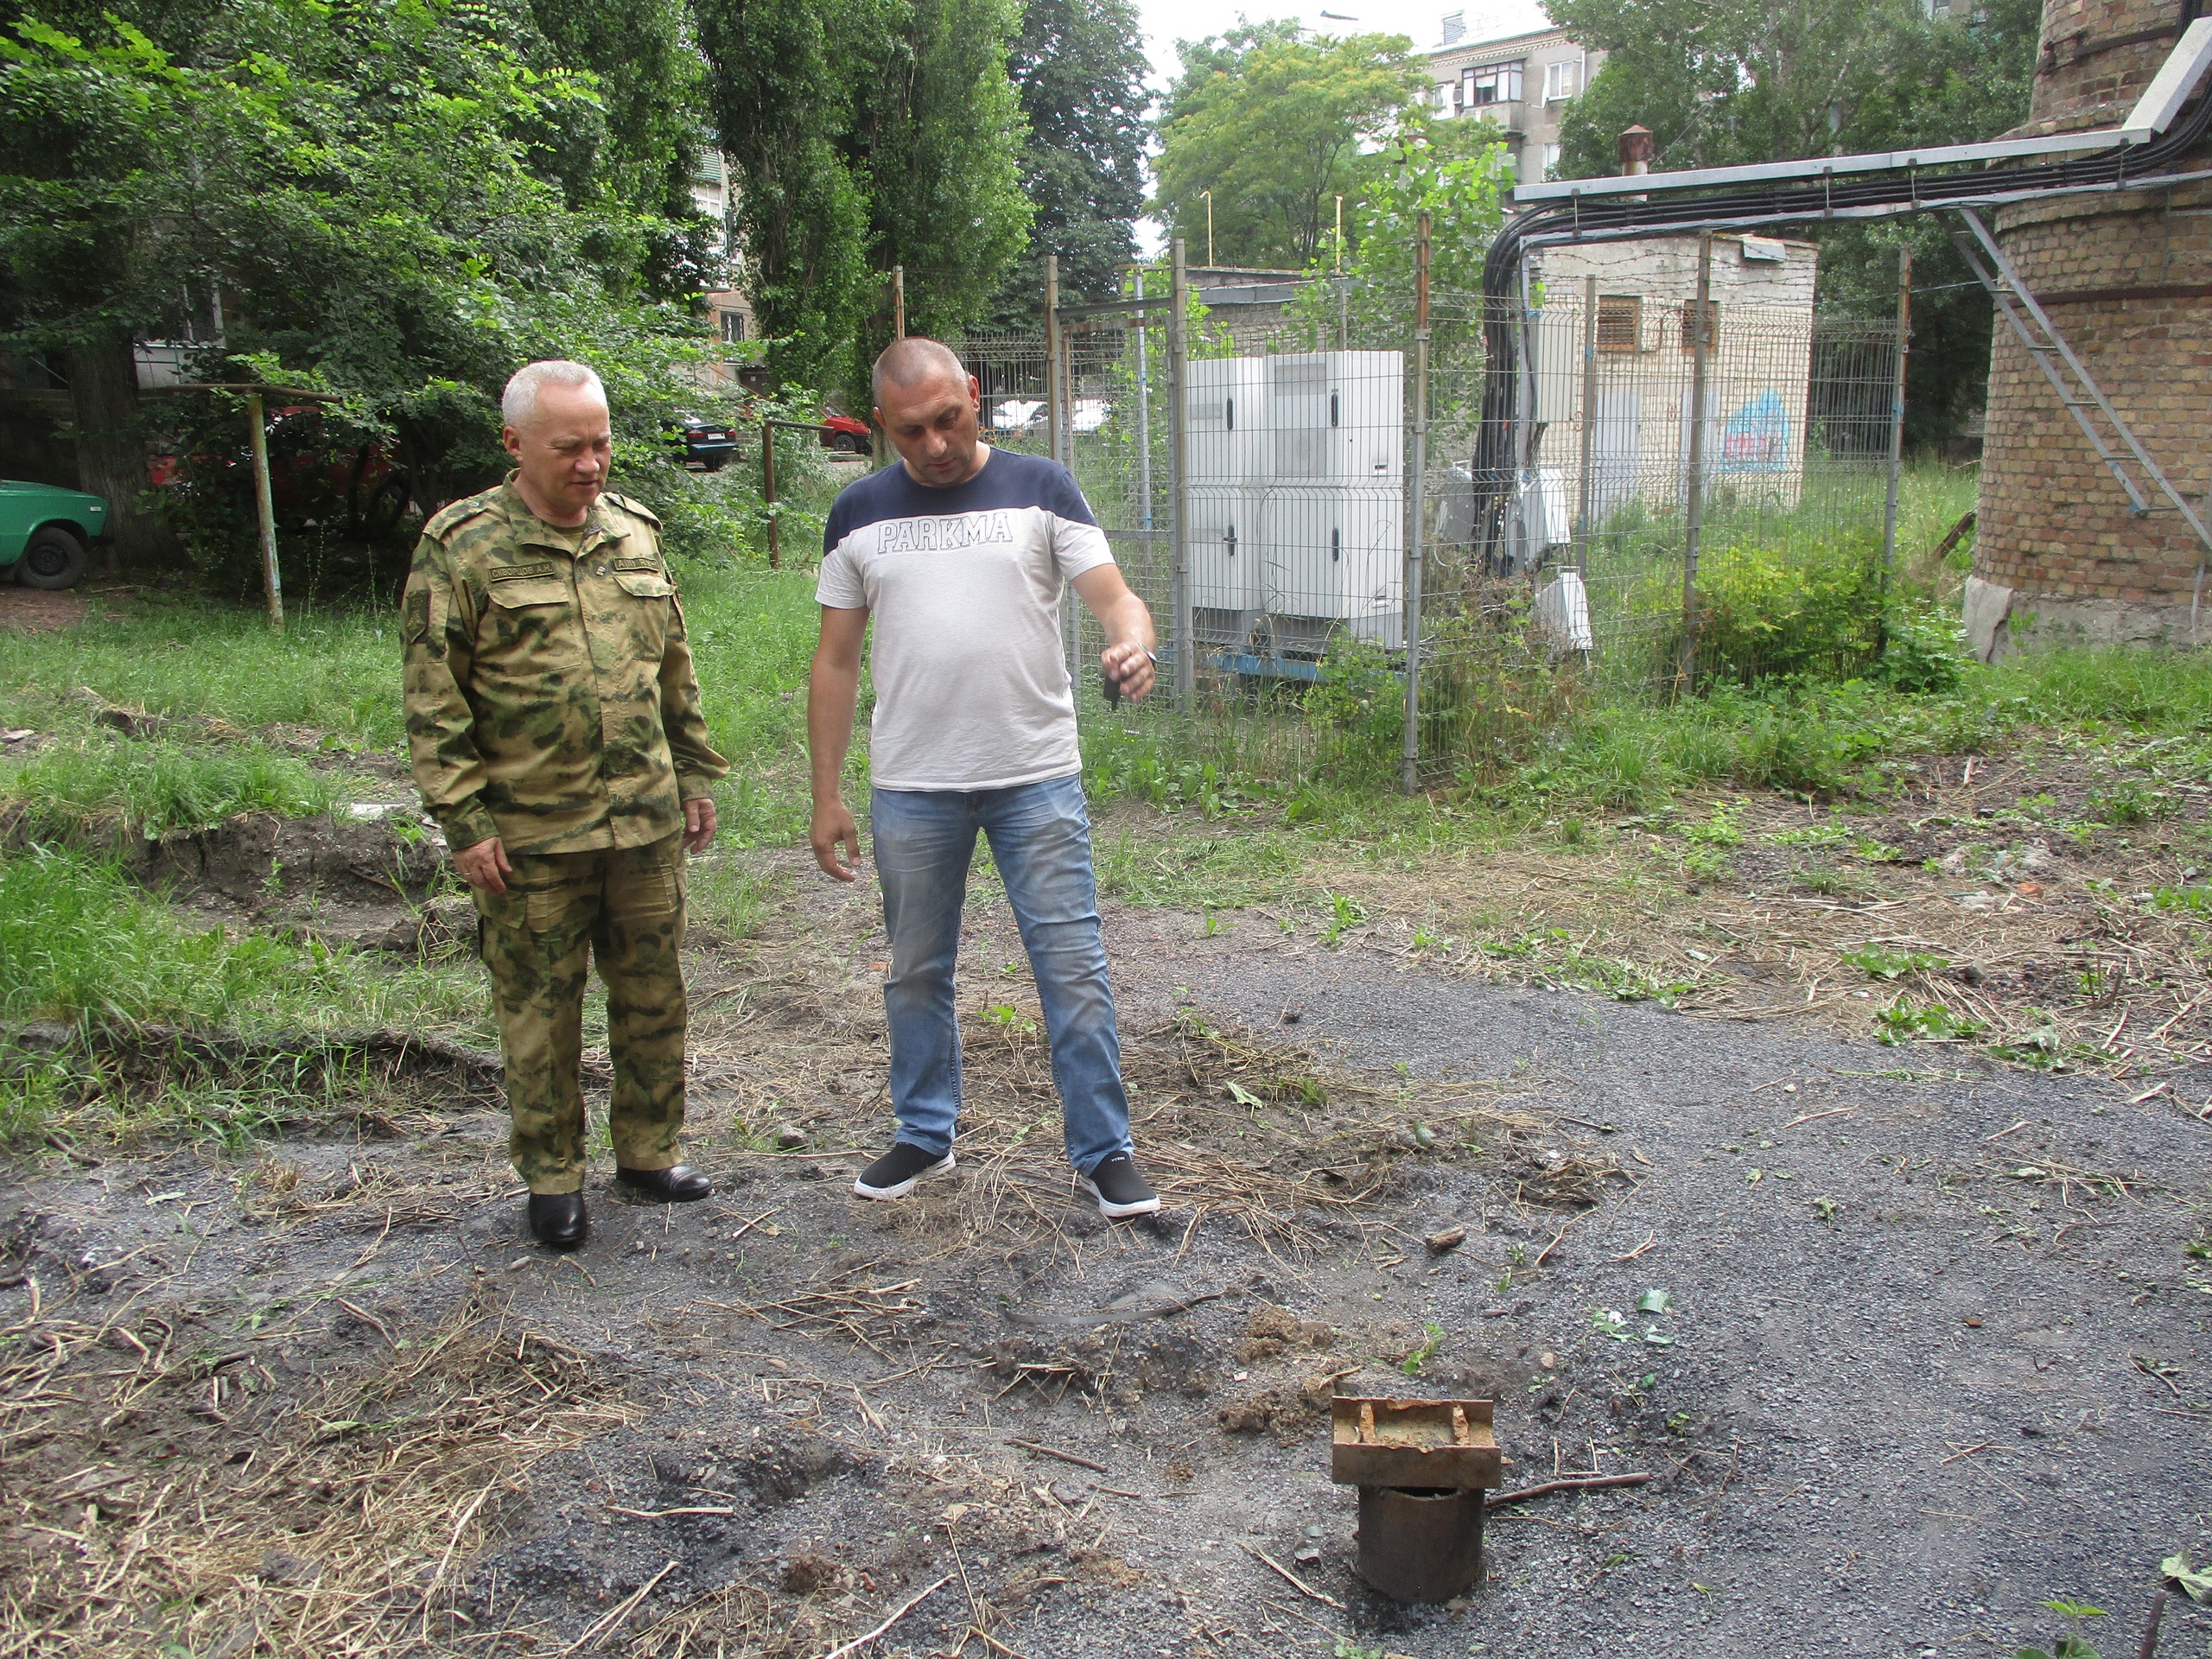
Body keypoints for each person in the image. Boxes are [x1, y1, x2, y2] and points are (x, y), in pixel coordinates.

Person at [808, 336, 1162, 1218]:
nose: (933, 445)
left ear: (974, 395)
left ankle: (1103, 1151)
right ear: (882, 428)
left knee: (1071, 968)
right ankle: (924, 1134)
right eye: (908, 433)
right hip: (913, 785)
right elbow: (836, 661)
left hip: (1033, 776)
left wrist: (1133, 640)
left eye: (948, 420)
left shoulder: (1041, 486)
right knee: (917, 971)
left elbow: (1117, 597)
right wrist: (824, 794)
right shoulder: (856, 513)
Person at [402, 359, 728, 1249]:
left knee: (653, 995)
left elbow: (674, 667)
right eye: (568, 448)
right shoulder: (462, 545)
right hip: (531, 834)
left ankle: (648, 1152)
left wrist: (693, 772)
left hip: (643, 823)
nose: (591, 464)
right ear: (514, 444)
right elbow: (435, 699)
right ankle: (551, 1179)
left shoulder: (634, 534)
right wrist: (464, 823)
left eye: (601, 443)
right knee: (541, 1015)